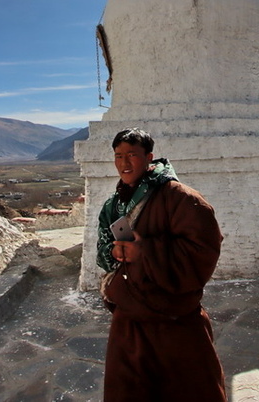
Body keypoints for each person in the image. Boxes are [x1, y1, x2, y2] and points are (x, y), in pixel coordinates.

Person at [96, 127, 227, 402]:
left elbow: (202, 249)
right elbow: (107, 253)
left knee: (189, 390)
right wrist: (118, 251)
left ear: (149, 158)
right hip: (130, 320)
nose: (124, 163)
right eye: (118, 156)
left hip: (174, 322)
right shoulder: (118, 202)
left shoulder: (181, 198)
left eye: (132, 155)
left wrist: (144, 251)